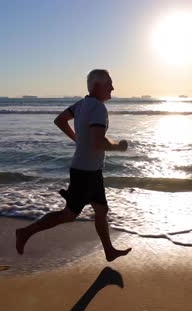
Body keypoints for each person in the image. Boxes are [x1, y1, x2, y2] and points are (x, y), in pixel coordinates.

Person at [15, 69, 132, 262]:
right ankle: (25, 232)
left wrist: (77, 139)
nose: (113, 87)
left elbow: (60, 120)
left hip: (89, 171)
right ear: (96, 86)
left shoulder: (82, 104)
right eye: (109, 83)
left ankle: (109, 251)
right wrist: (118, 147)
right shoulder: (98, 109)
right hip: (85, 173)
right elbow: (97, 142)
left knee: (101, 210)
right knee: (68, 215)